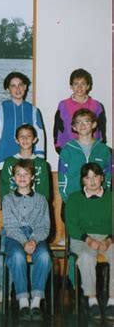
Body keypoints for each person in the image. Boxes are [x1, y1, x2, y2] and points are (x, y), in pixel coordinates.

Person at [2, 159, 51, 320]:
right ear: (13, 178)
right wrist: (24, 242)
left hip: (36, 236)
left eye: (26, 174)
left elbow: (44, 226)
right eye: (18, 174)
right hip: (14, 236)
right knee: (17, 256)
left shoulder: (41, 199)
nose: (22, 178)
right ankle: (23, 300)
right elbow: (10, 226)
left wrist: (34, 241)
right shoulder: (8, 199)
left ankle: (36, 301)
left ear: (32, 177)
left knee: (44, 256)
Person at [65, 162, 113, 321]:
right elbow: (71, 225)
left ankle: (112, 301)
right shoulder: (74, 198)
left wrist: (109, 240)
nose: (92, 181)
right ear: (82, 181)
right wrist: (88, 239)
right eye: (87, 177)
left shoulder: (111, 197)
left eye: (95, 176)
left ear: (102, 177)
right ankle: (92, 300)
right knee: (86, 257)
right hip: (82, 238)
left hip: (108, 237)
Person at [0, 72, 45, 179]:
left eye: (20, 85)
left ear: (25, 87)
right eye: (13, 86)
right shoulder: (0, 109)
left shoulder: (33, 111)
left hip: (29, 165)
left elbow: (39, 138)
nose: (17, 89)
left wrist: (39, 162)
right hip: (4, 163)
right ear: (8, 89)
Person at [58, 108, 111, 203]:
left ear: (94, 124)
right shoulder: (67, 149)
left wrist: (105, 197)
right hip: (73, 199)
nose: (82, 125)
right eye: (78, 122)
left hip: (98, 200)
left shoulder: (104, 150)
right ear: (74, 127)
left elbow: (108, 176)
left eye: (86, 121)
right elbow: (62, 178)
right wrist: (67, 200)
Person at [53, 68, 106, 154]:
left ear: (88, 86)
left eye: (83, 84)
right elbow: (57, 129)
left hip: (92, 150)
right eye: (76, 84)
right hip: (69, 150)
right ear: (71, 86)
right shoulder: (63, 105)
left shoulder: (97, 106)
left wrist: (99, 147)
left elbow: (101, 130)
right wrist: (59, 147)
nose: (79, 87)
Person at [0, 124, 50, 201]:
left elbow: (44, 191)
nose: (25, 139)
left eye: (28, 136)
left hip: (35, 206)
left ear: (34, 139)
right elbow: (4, 188)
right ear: (16, 140)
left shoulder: (41, 164)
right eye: (21, 136)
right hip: (13, 206)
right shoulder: (9, 162)